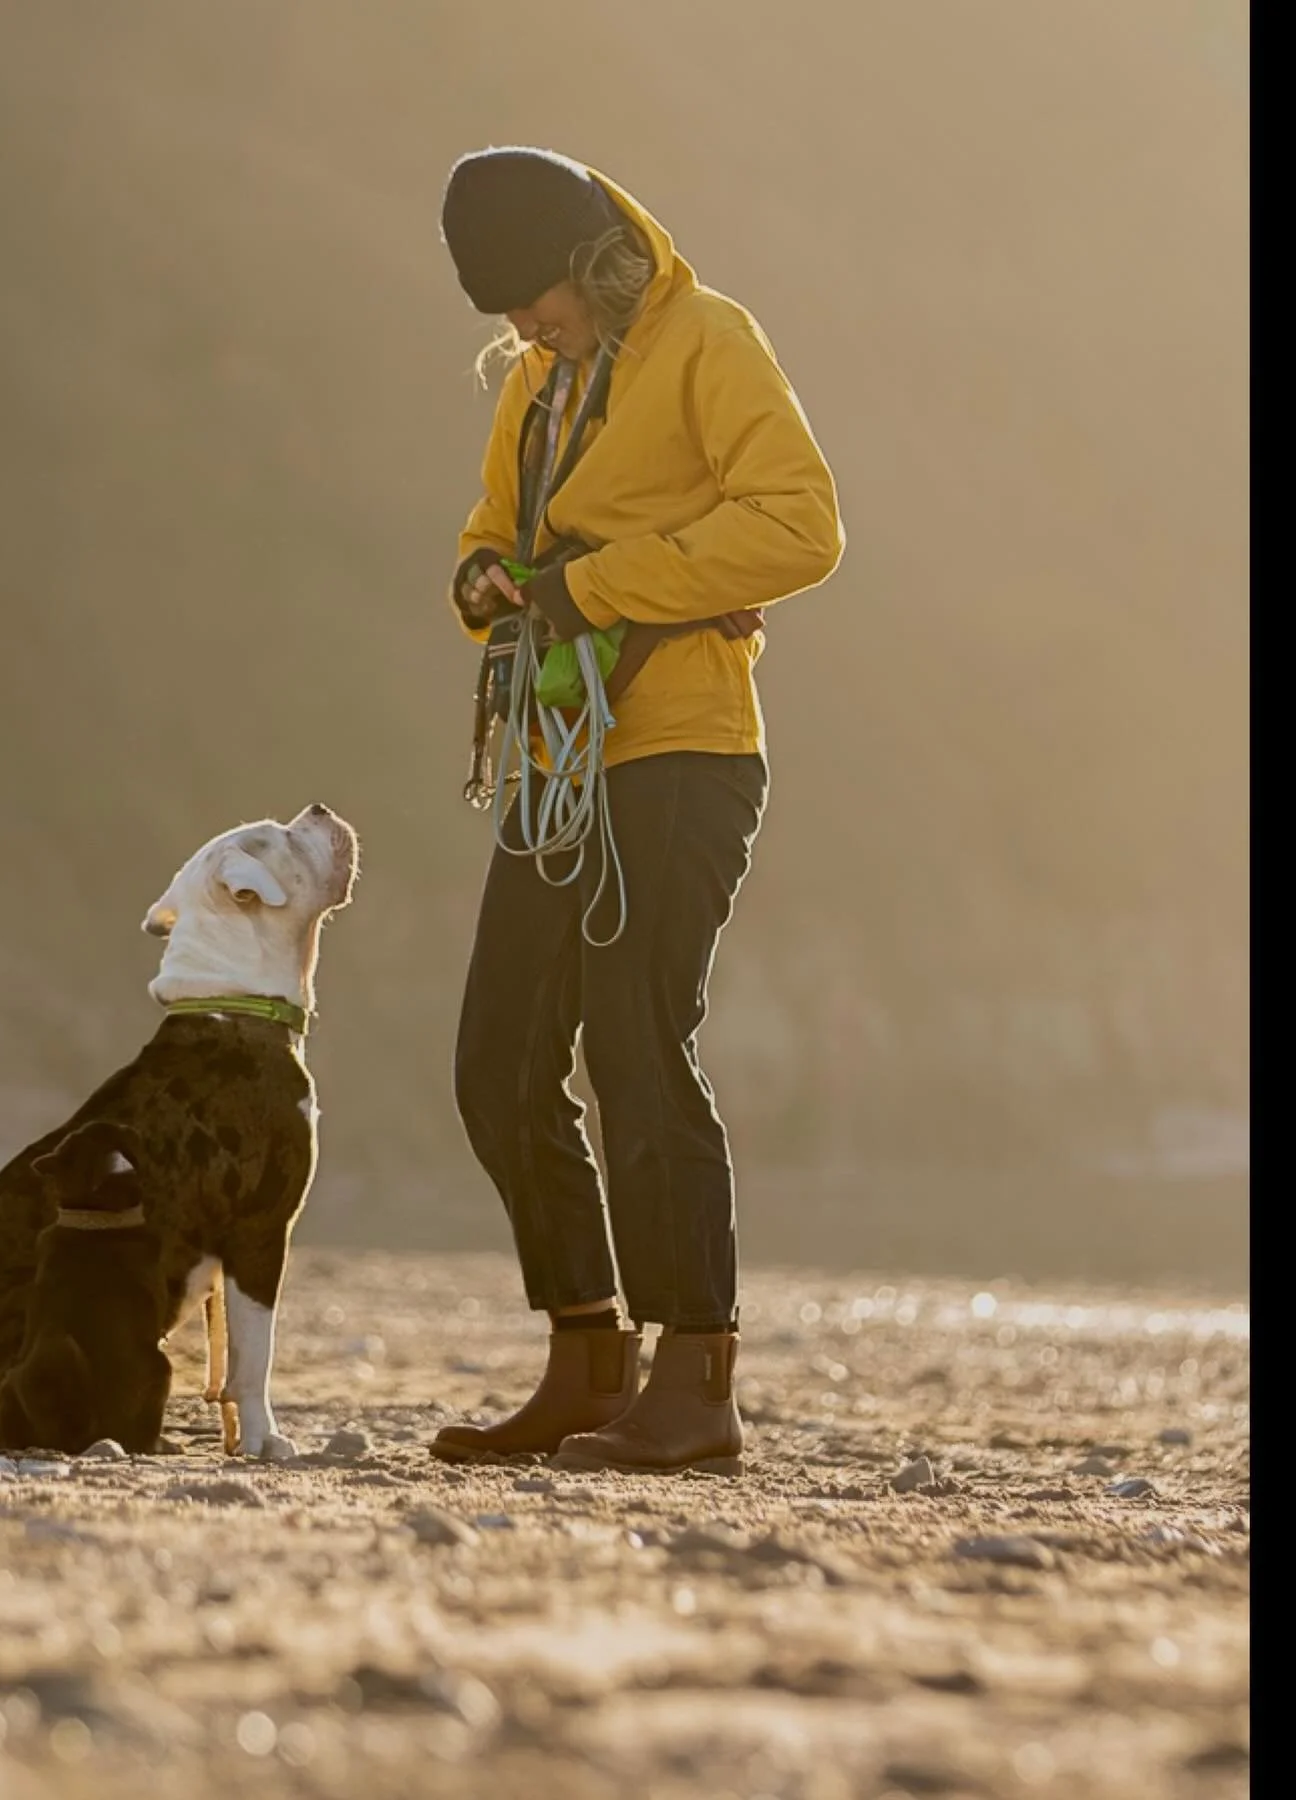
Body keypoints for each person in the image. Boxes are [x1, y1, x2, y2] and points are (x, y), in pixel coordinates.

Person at [431, 146, 844, 1476]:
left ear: (590, 262)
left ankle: (697, 1379)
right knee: (497, 1057)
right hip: (560, 761)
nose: (521, 330)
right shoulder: (539, 390)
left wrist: (601, 584)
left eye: (534, 302)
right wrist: (490, 578)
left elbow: (802, 526)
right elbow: (485, 535)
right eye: (505, 315)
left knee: (635, 1039)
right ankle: (587, 1355)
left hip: (686, 750)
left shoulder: (710, 338)